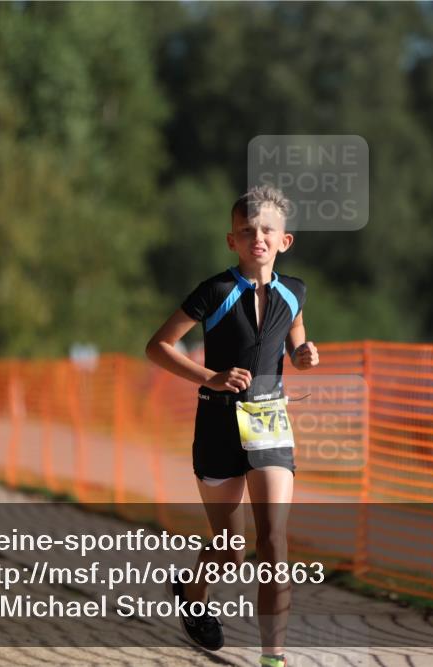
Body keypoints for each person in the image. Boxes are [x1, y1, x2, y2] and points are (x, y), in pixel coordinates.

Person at [146, 184, 319, 667]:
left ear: (284, 241)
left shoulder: (295, 291)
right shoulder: (215, 291)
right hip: (217, 424)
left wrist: (304, 357)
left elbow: (297, 342)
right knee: (231, 549)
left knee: (273, 541)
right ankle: (192, 593)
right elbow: (157, 346)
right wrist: (211, 377)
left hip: (268, 421)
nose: (256, 238)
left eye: (266, 230)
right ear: (232, 241)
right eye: (247, 231)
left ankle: (273, 659)